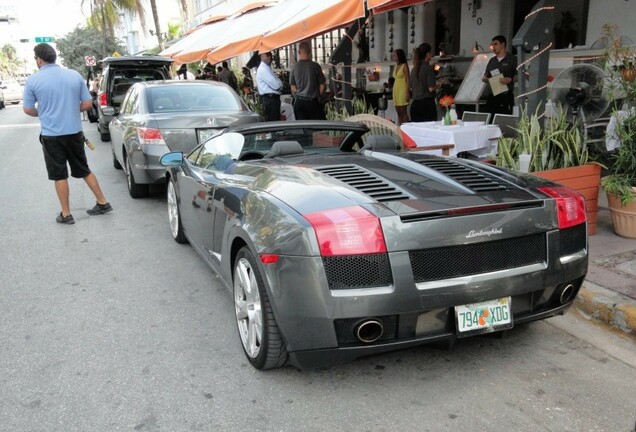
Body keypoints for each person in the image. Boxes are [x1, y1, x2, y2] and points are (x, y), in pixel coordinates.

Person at [23, 43, 112, 225]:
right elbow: (87, 104)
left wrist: (45, 112)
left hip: (52, 136)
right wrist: (70, 110)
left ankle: (66, 214)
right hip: (74, 133)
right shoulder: (74, 75)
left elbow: (27, 109)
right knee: (84, 169)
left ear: (39, 59)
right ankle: (103, 202)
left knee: (59, 175)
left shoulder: (33, 80)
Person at [289, 40, 327, 120]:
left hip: (300, 103)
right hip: (313, 102)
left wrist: (299, 93)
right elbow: (322, 86)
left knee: (303, 129)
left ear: (299, 52)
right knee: (317, 129)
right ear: (310, 51)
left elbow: (293, 87)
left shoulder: (294, 67)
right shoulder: (315, 66)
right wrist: (319, 96)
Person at [482, 34, 517, 116]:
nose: (493, 47)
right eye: (492, 45)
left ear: (503, 44)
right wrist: (486, 79)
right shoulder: (492, 61)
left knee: (503, 120)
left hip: (505, 96)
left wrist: (510, 79)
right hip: (492, 96)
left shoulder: (512, 59)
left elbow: (518, 76)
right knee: (490, 120)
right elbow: (486, 76)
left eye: (495, 44)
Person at [410, 43, 439, 122]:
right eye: (430, 53)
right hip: (427, 105)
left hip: (415, 104)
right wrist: (438, 85)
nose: (432, 55)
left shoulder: (414, 69)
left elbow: (411, 87)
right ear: (427, 54)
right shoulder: (428, 68)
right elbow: (431, 88)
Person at [256, 51, 283, 122]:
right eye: (267, 55)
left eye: (270, 55)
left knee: (274, 122)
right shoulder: (263, 69)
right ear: (261, 56)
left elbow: (278, 83)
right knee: (273, 124)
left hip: (271, 99)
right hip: (270, 99)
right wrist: (280, 84)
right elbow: (276, 85)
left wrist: (280, 83)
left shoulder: (266, 68)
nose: (269, 57)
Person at [391, 48, 410, 125]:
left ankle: (406, 128)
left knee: (403, 112)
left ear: (399, 56)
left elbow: (408, 80)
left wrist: (407, 92)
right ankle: (400, 128)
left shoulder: (404, 66)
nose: (393, 56)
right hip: (396, 91)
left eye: (395, 54)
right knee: (398, 112)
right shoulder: (396, 65)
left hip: (402, 90)